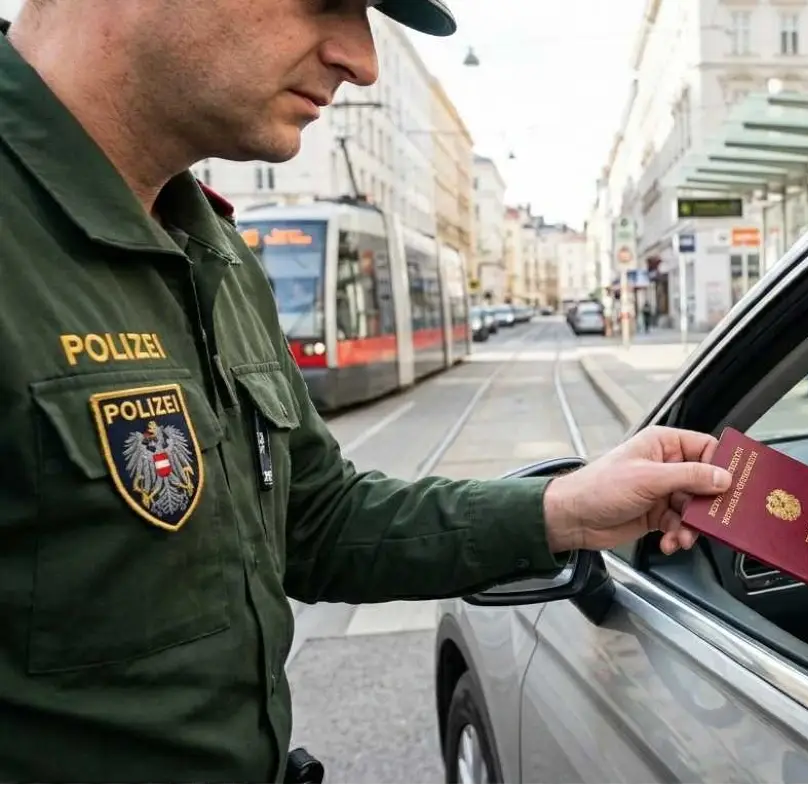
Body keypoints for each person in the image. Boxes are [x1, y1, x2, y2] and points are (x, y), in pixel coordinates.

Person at [0, 0, 731, 783]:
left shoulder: (212, 248)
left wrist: (566, 508)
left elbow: (314, 522)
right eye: (328, 1)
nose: (363, 59)